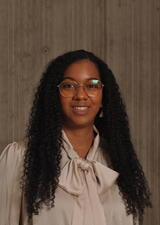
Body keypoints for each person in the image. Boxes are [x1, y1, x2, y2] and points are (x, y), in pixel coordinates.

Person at [0, 50, 151, 225]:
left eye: (92, 85)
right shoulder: (20, 158)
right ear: (54, 96)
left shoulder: (119, 161)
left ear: (103, 97)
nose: (80, 95)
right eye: (69, 86)